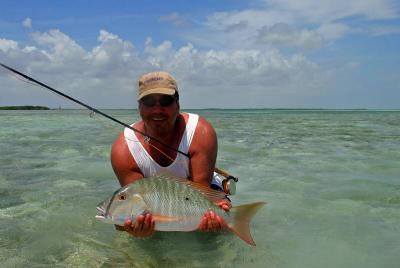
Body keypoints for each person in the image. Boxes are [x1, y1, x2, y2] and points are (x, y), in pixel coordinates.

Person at [111, 71, 231, 237]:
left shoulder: (200, 132)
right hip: (157, 208)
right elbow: (131, 208)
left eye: (166, 101)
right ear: (139, 107)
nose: (157, 109)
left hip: (197, 196)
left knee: (213, 233)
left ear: (178, 104)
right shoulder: (123, 149)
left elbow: (201, 193)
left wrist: (215, 207)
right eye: (149, 102)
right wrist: (132, 227)